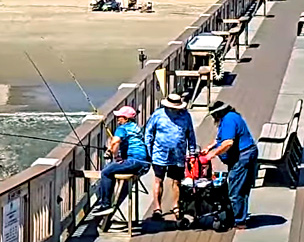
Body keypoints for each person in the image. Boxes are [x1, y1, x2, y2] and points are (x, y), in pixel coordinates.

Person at [203, 101, 258, 229]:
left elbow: (228, 143)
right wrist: (210, 147)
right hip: (248, 153)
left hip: (242, 157)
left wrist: (212, 154)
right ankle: (241, 216)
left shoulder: (228, 120)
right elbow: (220, 138)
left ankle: (239, 221)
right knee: (243, 188)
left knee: (236, 189)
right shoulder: (232, 117)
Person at [144, 93, 197, 221]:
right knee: (158, 180)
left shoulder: (186, 116)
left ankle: (176, 206)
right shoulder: (158, 115)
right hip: (159, 154)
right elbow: (148, 133)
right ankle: (157, 208)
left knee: (176, 181)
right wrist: (149, 152)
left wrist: (192, 152)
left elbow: (191, 134)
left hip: (178, 154)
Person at [91, 106, 150, 216]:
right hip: (144, 163)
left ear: (126, 119)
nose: (118, 119)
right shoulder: (135, 127)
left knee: (106, 172)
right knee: (111, 169)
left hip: (133, 161)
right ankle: (105, 201)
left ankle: (106, 205)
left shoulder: (122, 129)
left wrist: (116, 156)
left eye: (120, 117)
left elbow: (116, 142)